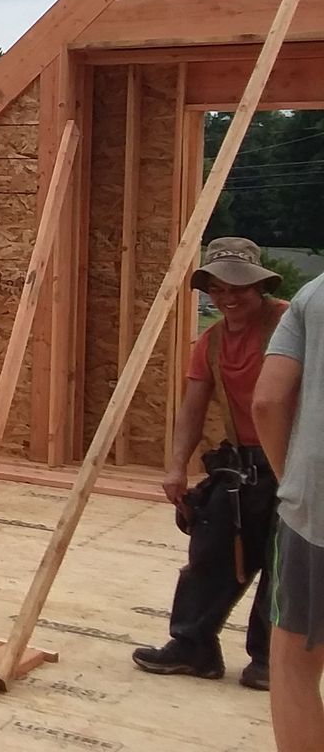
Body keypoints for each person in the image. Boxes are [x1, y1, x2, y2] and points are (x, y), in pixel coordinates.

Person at [133, 237, 288, 690]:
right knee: (210, 551)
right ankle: (193, 646)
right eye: (218, 289)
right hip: (245, 465)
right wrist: (176, 467)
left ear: (260, 286)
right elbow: (193, 407)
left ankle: (270, 660)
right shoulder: (212, 341)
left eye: (238, 287)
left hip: (296, 463)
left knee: (284, 565)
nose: (228, 297)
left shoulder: (288, 322)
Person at [255, 274, 323, 747]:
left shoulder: (314, 295)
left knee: (294, 663)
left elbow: (268, 400)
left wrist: (293, 482)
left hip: (316, 512)